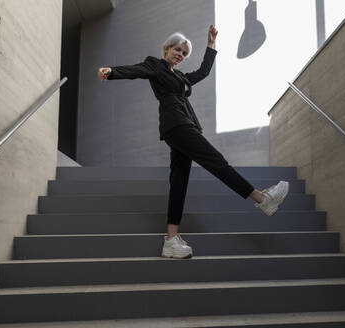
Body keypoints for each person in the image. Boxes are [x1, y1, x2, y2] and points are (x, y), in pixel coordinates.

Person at [98, 25, 289, 259]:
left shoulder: (181, 77)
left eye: (184, 53)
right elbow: (137, 70)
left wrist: (210, 45)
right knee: (216, 161)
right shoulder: (155, 65)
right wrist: (112, 71)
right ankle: (262, 199)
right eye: (177, 49)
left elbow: (203, 72)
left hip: (183, 126)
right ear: (167, 49)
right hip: (176, 124)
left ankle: (171, 241)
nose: (180, 54)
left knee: (179, 180)